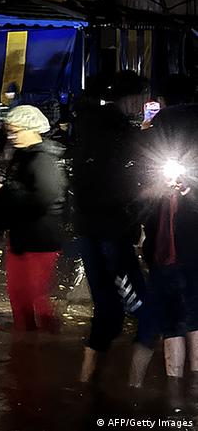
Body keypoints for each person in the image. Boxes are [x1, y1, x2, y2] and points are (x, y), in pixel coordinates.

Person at [73, 96, 157, 386]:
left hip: (89, 236)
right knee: (146, 312)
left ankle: (86, 382)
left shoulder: (84, 154)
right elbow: (131, 196)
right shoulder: (121, 153)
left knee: (106, 309)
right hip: (112, 239)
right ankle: (136, 386)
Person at [0, 105, 65, 333]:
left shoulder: (44, 160)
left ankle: (47, 340)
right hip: (21, 238)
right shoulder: (22, 155)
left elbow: (44, 199)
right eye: (9, 131)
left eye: (16, 131)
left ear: (32, 128)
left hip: (40, 240)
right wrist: (0, 190)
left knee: (35, 294)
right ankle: (25, 339)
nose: (11, 136)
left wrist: (3, 190)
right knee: (18, 293)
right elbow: (19, 191)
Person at [139, 83, 198, 380]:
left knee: (177, 320)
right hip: (171, 248)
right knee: (188, 318)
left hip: (172, 250)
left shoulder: (163, 127)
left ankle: (176, 391)